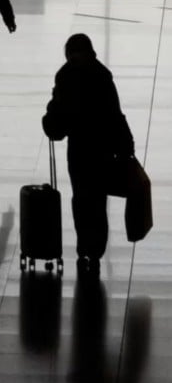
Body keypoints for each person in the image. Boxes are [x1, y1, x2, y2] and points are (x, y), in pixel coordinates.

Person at [42, 33, 134, 275]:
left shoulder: (66, 75)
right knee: (97, 198)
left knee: (81, 198)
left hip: (79, 149)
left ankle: (85, 246)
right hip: (101, 148)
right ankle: (95, 250)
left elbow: (57, 113)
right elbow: (115, 114)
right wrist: (126, 146)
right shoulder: (101, 75)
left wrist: (50, 123)